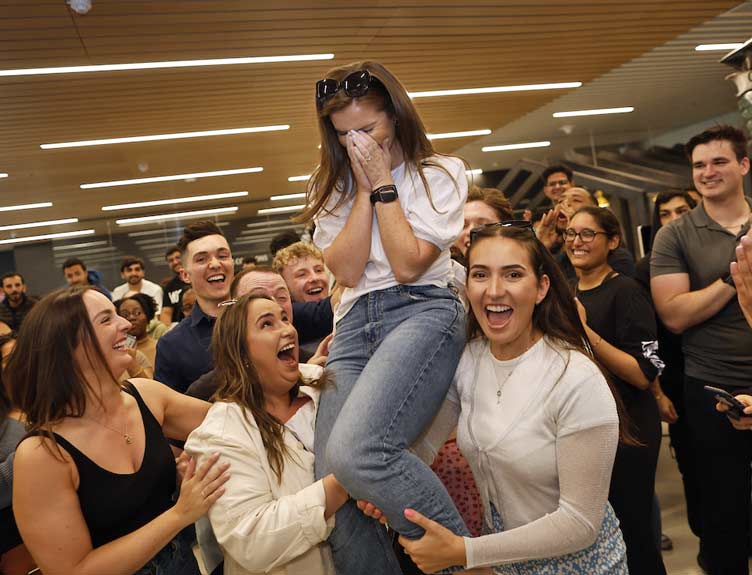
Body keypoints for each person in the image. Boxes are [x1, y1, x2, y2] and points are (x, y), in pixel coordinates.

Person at [363, 222, 629, 574]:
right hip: (504, 561)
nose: (494, 290)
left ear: (541, 288)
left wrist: (466, 552)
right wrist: (388, 489)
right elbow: (422, 447)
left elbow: (580, 522)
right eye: (480, 275)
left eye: (513, 275)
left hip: (582, 565)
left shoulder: (576, 379)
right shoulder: (469, 360)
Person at [300, 60, 468, 574]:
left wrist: (381, 183)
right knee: (332, 486)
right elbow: (348, 269)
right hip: (353, 324)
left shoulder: (440, 172)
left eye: (368, 128)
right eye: (344, 133)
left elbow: (408, 262)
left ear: (394, 117)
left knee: (357, 452)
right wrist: (360, 188)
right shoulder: (325, 188)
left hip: (423, 309)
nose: (358, 143)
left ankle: (469, 562)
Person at [6, 286, 230, 575]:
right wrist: (179, 514)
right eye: (106, 319)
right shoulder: (42, 455)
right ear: (69, 347)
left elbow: (231, 423)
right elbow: (73, 570)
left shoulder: (145, 395)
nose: (125, 324)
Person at [185, 294, 347, 575]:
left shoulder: (322, 382)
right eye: (267, 324)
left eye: (284, 318)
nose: (288, 330)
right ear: (241, 353)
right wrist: (344, 482)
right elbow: (250, 539)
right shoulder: (222, 433)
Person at [651, 125, 752, 574]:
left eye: (719, 161)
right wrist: (736, 276)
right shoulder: (675, 236)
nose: (708, 172)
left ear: (744, 165)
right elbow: (674, 314)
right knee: (723, 510)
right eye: (699, 165)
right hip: (712, 383)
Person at [565, 206, 666, 575]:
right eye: (571, 234)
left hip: (630, 428)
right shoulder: (568, 291)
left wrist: (585, 333)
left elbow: (642, 373)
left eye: (588, 234)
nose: (577, 241)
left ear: (613, 241)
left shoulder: (626, 291)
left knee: (634, 532)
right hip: (585, 424)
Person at [635, 189, 701, 543]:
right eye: (665, 213)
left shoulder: (713, 257)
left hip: (721, 371)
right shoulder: (646, 270)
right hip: (675, 377)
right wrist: (658, 389)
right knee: (692, 463)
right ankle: (705, 535)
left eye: (682, 210)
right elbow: (649, 341)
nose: (674, 219)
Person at [155, 221, 235, 393]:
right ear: (185, 275)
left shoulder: (266, 317)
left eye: (222, 256)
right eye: (201, 259)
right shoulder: (172, 345)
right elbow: (169, 412)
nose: (214, 264)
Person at [453, 186, 513, 259]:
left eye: (483, 224)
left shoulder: (527, 266)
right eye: (463, 225)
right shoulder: (444, 268)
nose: (470, 231)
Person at [115, 294, 161, 367]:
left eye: (137, 313)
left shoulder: (161, 348)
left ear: (147, 315)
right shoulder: (115, 353)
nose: (131, 317)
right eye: (125, 315)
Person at [161, 246, 190, 326]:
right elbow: (166, 313)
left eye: (178, 257)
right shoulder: (169, 287)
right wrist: (167, 332)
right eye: (171, 260)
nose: (175, 262)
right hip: (180, 328)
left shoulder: (197, 278)